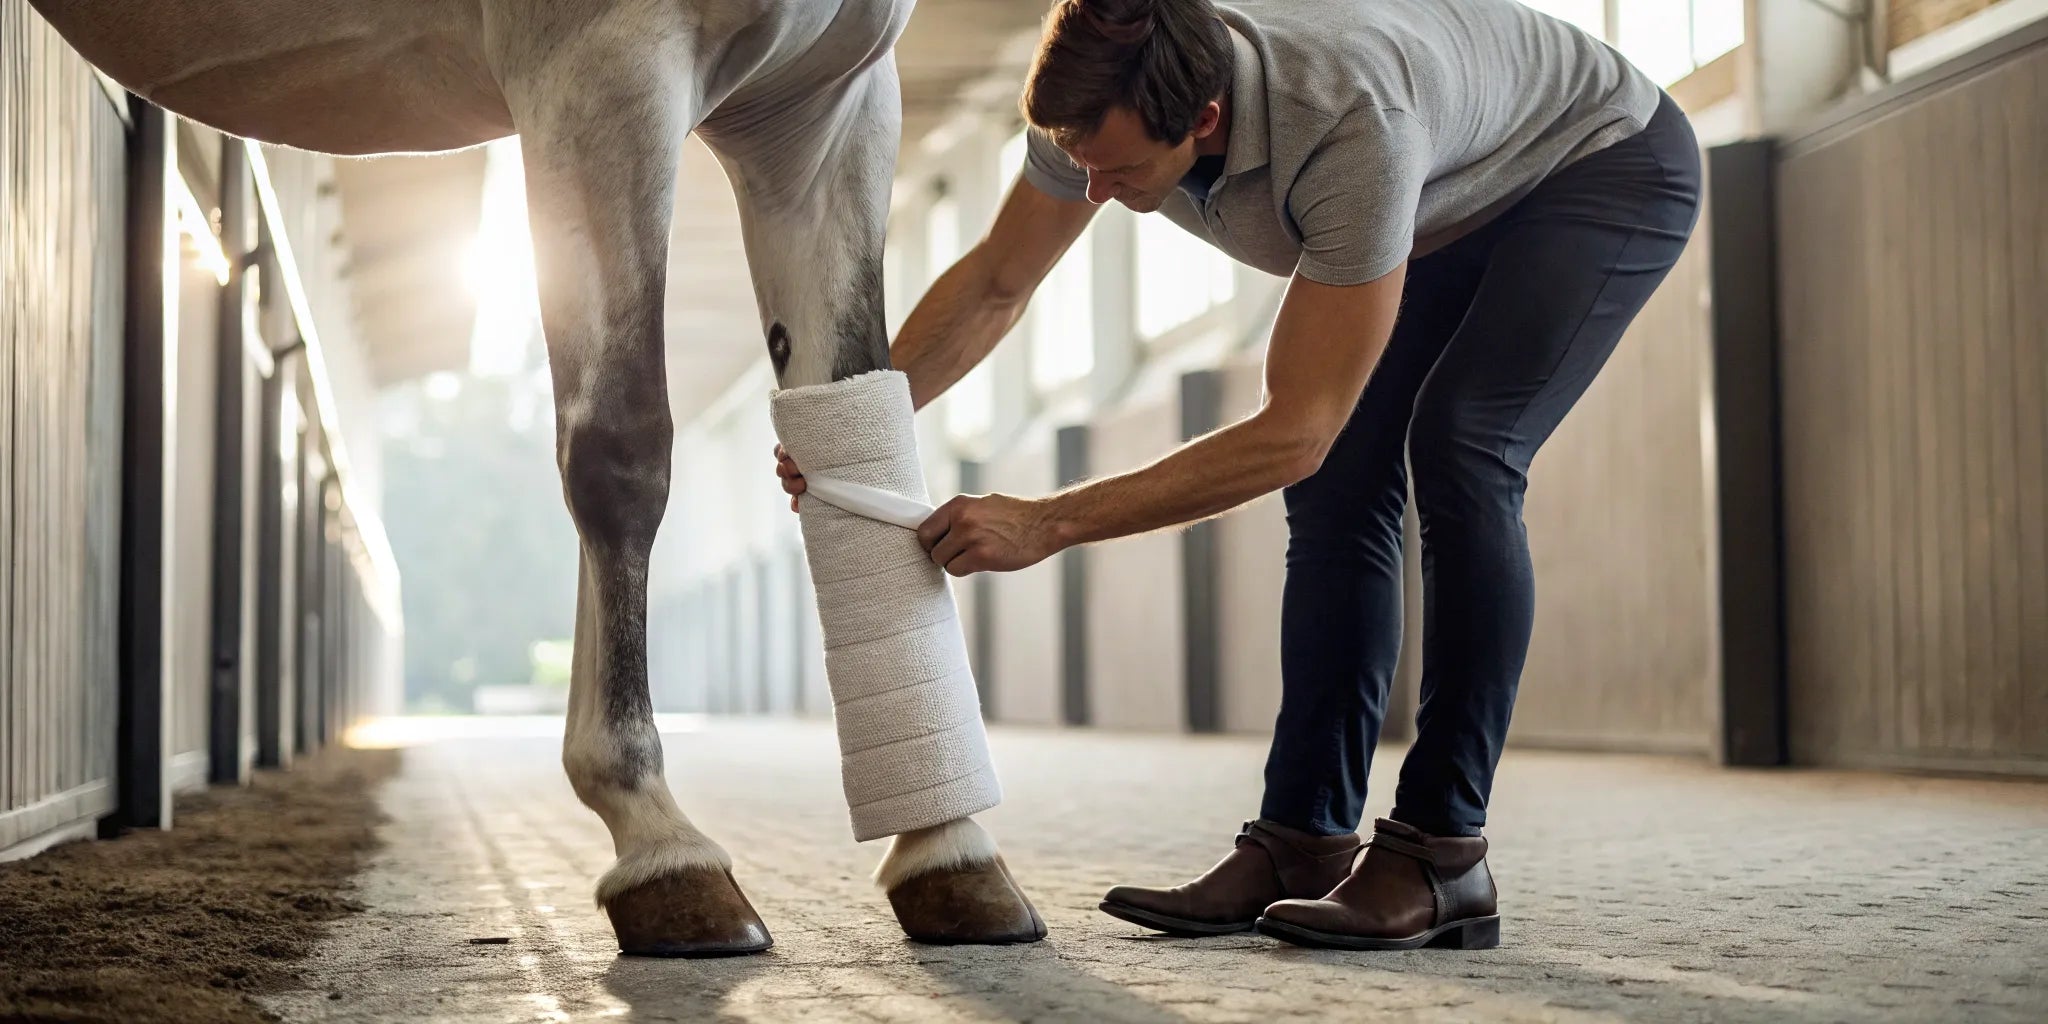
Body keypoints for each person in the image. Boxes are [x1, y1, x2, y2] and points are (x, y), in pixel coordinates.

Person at [775, 0, 1700, 950]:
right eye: (1079, 166)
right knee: (1338, 490)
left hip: (1600, 164)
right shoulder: (1091, 110)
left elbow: (1293, 430)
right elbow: (999, 284)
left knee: (1463, 449)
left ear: (1205, 121)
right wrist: (856, 428)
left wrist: (1047, 522)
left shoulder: (1349, 121)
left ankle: (1441, 857)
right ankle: (1302, 839)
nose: (1090, 193)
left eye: (1121, 172)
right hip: (1446, 194)